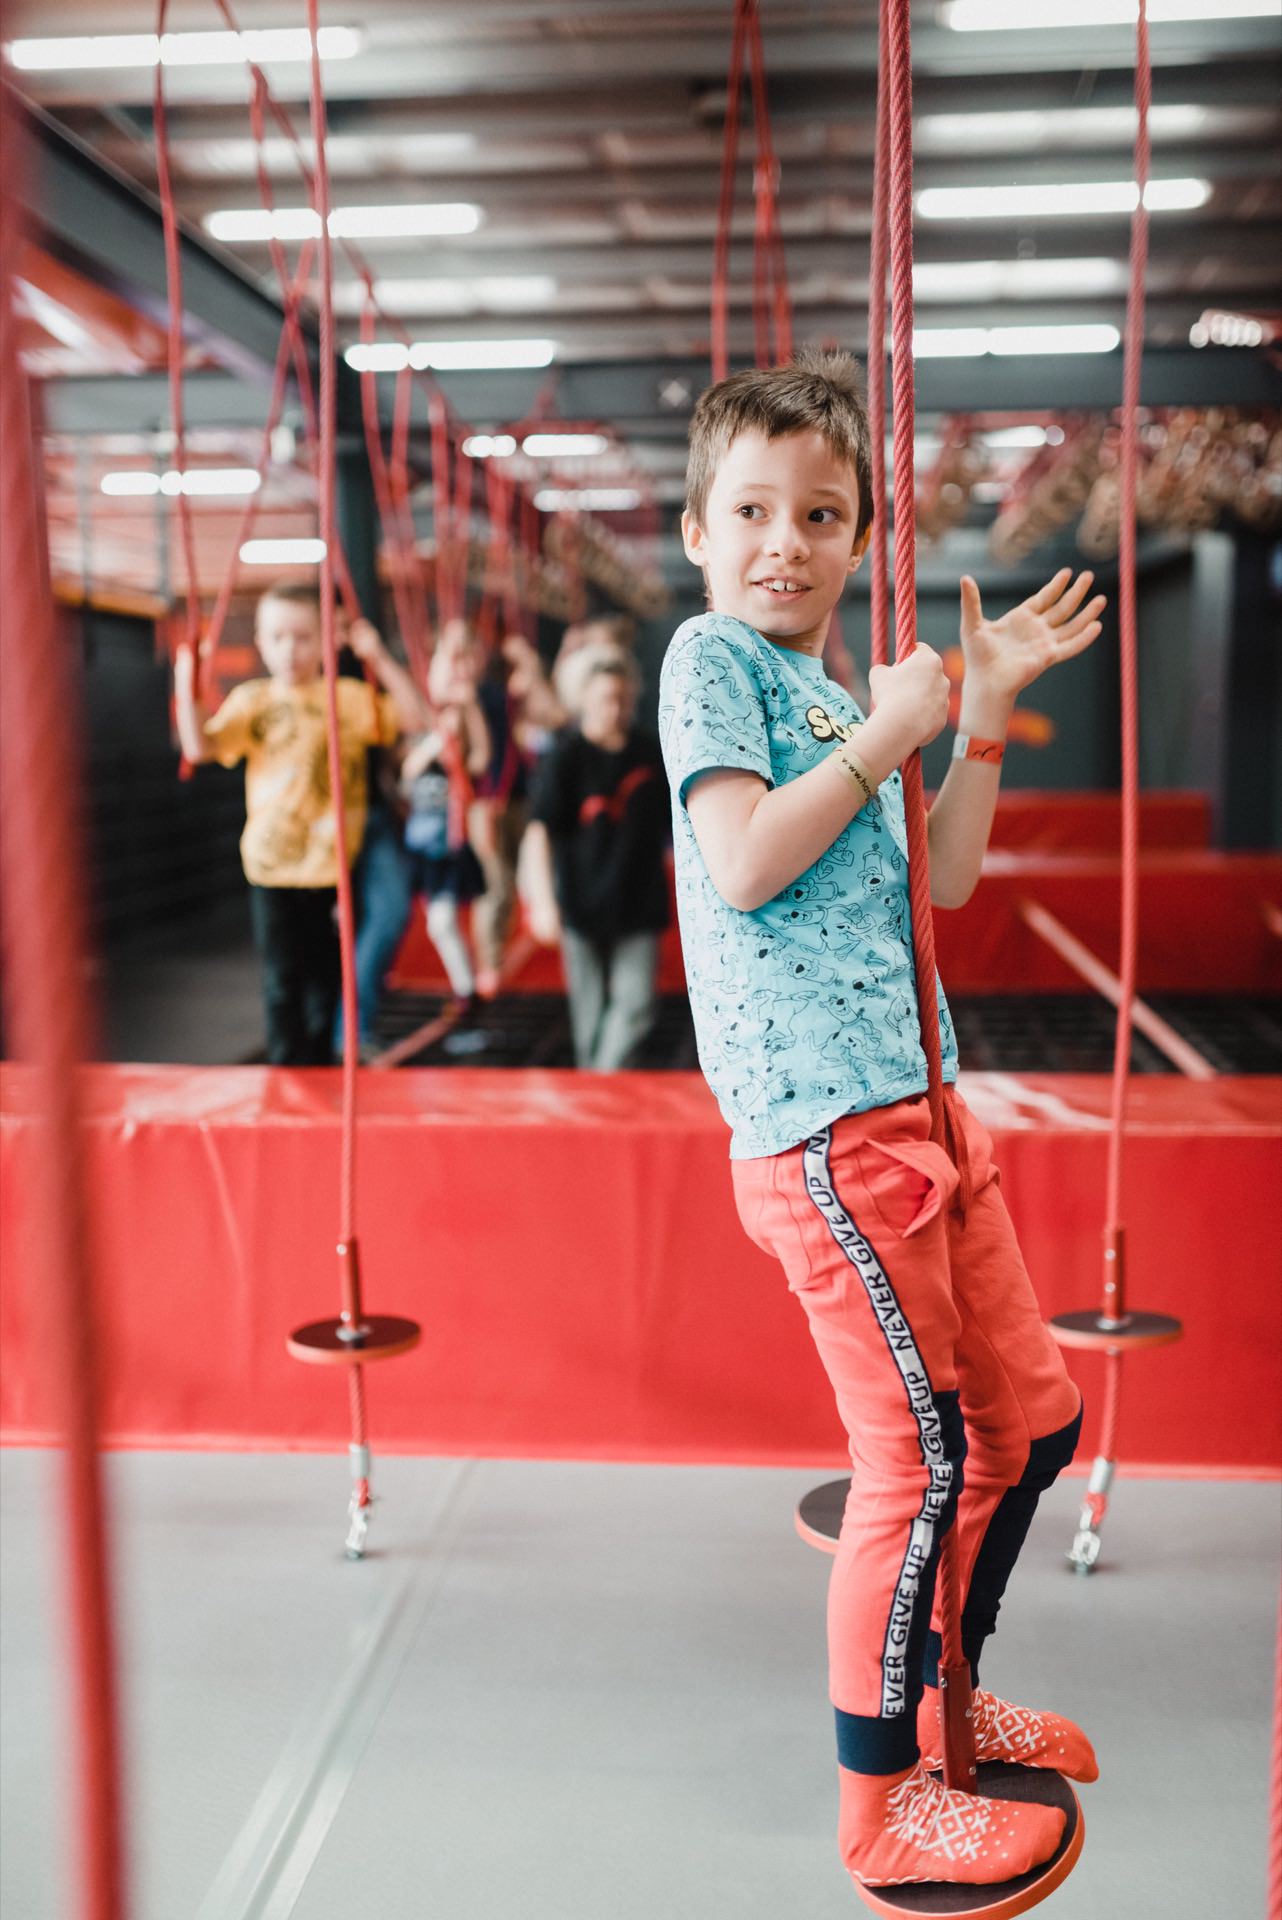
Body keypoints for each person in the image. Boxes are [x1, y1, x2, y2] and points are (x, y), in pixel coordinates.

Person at [657, 350, 1107, 1893]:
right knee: (911, 1456)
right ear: (699, 530)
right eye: (754, 510)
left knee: (1031, 1425)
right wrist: (880, 737)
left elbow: (952, 879)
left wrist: (966, 714)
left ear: (860, 537)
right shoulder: (710, 662)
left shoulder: (849, 692)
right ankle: (880, 1799)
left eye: (822, 513)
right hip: (828, 1137)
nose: (786, 540)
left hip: (922, 1112)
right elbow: (741, 864)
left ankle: (946, 1700)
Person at [173, 583, 425, 1065]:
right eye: (279, 637)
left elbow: (415, 718)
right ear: (263, 644)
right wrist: (188, 680)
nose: (291, 649)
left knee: (326, 979)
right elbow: (198, 747)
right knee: (282, 979)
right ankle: (289, 1072)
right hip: (271, 865)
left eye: (304, 637)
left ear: (328, 641)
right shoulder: (254, 701)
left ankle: (319, 1068)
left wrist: (379, 656)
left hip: (329, 868)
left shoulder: (347, 699)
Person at [524, 655, 669, 1070]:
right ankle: (598, 1091)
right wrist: (542, 901)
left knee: (636, 1003)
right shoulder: (566, 758)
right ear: (586, 700)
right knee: (587, 1019)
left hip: (638, 900)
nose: (617, 708)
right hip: (580, 901)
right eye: (607, 698)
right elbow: (539, 832)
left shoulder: (649, 752)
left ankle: (601, 1081)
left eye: (624, 699)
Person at [399, 619, 491, 1013]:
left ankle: (466, 988)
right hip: (422, 839)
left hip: (447, 840)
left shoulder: (463, 722)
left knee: (441, 921)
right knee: (435, 920)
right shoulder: (420, 720)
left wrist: (468, 708)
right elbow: (405, 772)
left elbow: (481, 759)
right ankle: (465, 985)